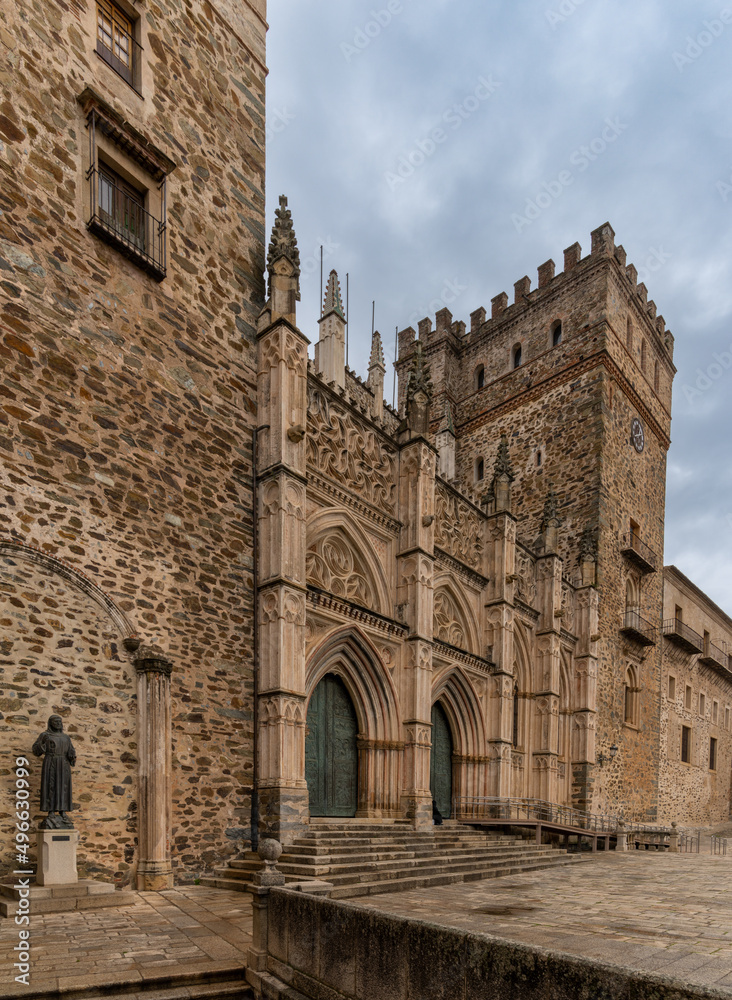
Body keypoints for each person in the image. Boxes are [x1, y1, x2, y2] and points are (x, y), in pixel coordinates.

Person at [32, 715, 76, 829]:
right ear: (50, 723)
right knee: (51, 786)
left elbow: (71, 751)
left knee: (63, 788)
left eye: (59, 721)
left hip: (64, 764)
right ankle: (51, 811)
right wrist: (42, 744)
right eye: (55, 721)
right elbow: (36, 750)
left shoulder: (66, 737)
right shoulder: (45, 735)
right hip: (51, 763)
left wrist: (72, 756)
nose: (58, 723)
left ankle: (62, 812)